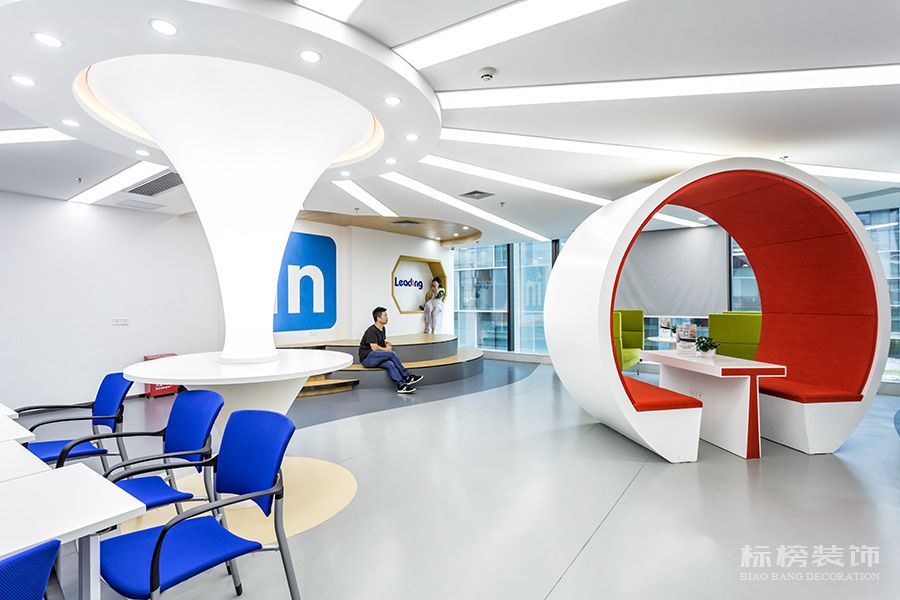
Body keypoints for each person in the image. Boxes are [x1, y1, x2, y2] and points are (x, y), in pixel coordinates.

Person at [359, 307, 423, 394]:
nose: (387, 317)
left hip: (375, 358)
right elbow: (374, 347)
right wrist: (386, 349)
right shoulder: (371, 330)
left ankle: (401, 386)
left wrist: (386, 343)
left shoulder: (382, 329)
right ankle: (407, 376)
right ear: (378, 318)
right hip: (367, 359)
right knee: (391, 354)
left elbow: (379, 341)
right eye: (385, 315)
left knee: (390, 364)